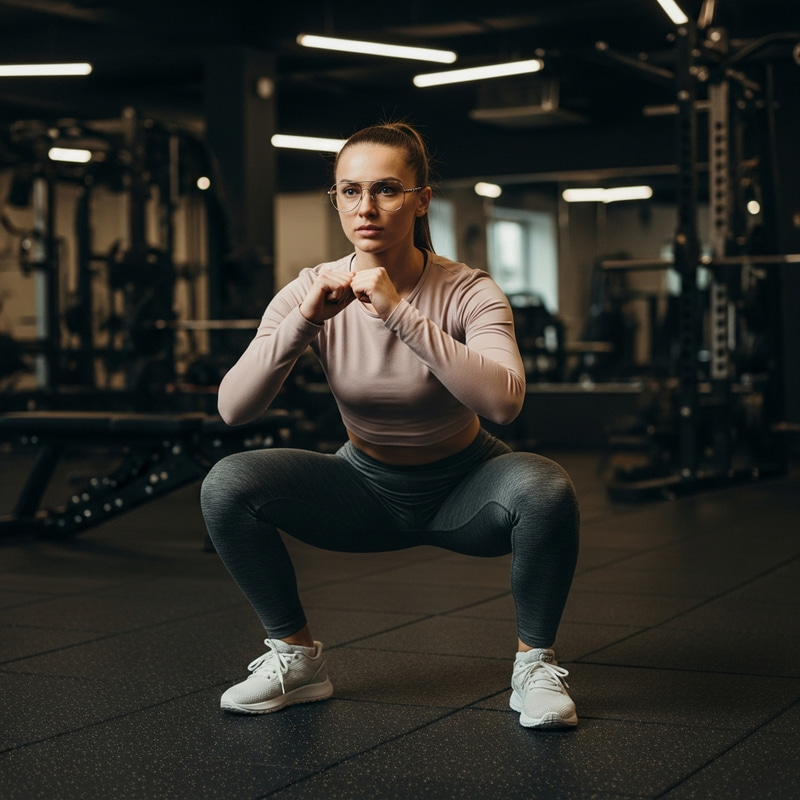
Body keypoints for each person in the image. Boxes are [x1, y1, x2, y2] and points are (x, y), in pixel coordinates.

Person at [200, 121, 580, 729]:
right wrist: (303, 324)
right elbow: (233, 408)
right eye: (349, 191)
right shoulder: (310, 289)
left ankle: (533, 667)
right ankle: (297, 661)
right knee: (228, 483)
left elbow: (505, 403)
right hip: (364, 488)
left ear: (421, 198)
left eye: (386, 190)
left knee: (545, 488)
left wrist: (401, 315)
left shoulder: (469, 290)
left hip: (466, 489)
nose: (365, 207)